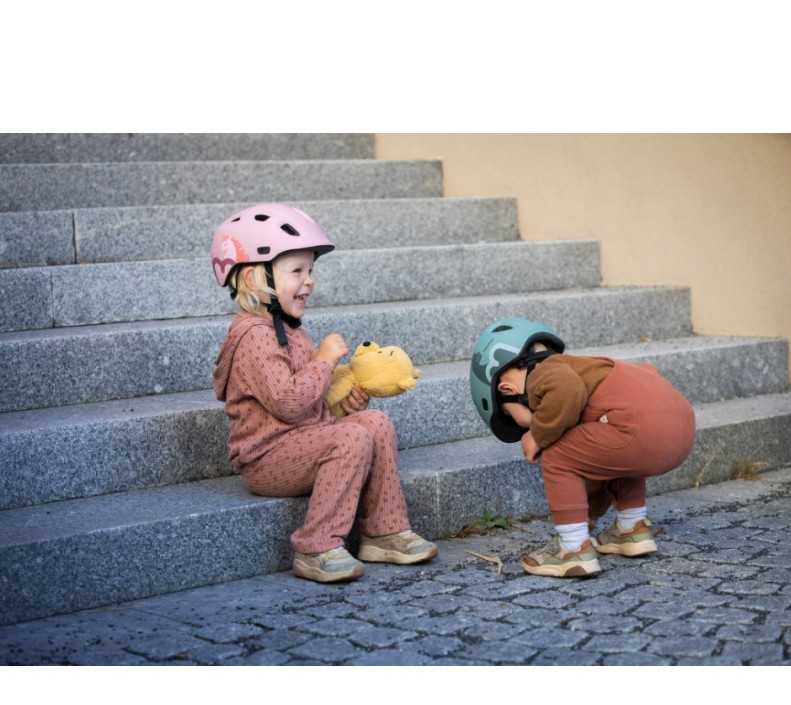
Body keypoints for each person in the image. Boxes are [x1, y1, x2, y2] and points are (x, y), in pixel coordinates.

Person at [211, 203, 437, 583]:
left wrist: (339, 406)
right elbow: (289, 403)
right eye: (296, 271)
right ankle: (316, 547)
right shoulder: (254, 337)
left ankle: (383, 531)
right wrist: (325, 359)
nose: (309, 281)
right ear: (252, 278)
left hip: (300, 443)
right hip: (267, 458)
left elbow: (310, 401)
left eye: (310, 271)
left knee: (375, 423)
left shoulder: (289, 328)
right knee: (350, 438)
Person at [470, 318, 695, 577]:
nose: (525, 423)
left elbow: (567, 389)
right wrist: (590, 516)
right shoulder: (583, 367)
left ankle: (573, 549)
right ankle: (632, 528)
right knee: (612, 455)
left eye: (514, 417)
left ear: (507, 389)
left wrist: (538, 434)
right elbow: (596, 473)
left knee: (557, 455)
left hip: (635, 427)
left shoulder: (545, 372)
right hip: (680, 427)